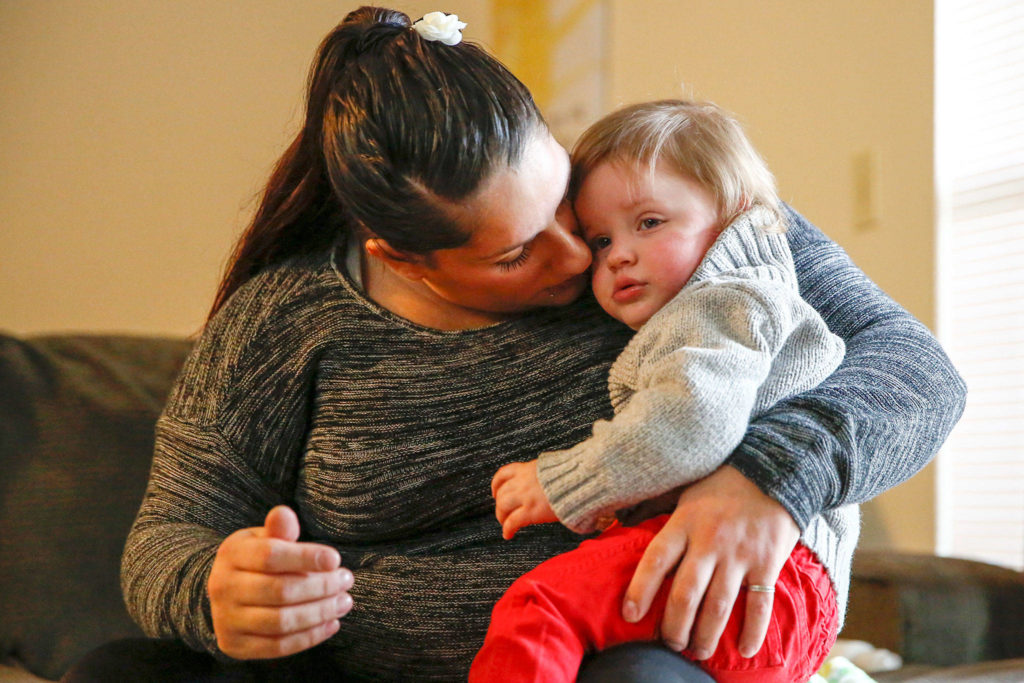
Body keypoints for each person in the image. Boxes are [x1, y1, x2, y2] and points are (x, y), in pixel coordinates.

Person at [61, 6, 965, 682]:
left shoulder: (669, 216)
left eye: (561, 197)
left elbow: (921, 372)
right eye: (516, 251)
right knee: (117, 670)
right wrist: (215, 589)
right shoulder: (280, 322)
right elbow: (166, 534)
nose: (585, 255)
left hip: (604, 657)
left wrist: (769, 475)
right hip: (344, 667)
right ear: (402, 257)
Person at [473, 99, 852, 683]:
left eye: (649, 223)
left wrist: (562, 481)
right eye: (599, 240)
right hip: (775, 608)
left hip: (756, 573)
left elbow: (694, 421)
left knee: (538, 610)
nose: (618, 254)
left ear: (733, 218)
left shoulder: (725, 300)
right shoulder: (711, 306)